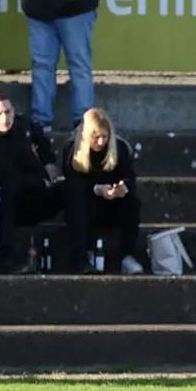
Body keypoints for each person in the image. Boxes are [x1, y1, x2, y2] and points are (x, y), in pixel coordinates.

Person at [0, 92, 65, 274]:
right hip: (13, 204)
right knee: (6, 192)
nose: (5, 119)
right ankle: (6, 258)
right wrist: (41, 182)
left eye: (8, 112)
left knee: (73, 188)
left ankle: (82, 255)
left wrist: (48, 161)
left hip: (37, 195)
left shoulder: (21, 124)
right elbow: (9, 178)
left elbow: (40, 137)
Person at [13, 0, 104, 131]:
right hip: (39, 4)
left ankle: (83, 124)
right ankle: (41, 123)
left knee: (78, 66)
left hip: (76, 8)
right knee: (42, 66)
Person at [62, 108, 143, 274]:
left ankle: (127, 255)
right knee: (78, 200)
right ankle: (82, 255)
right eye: (96, 137)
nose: (100, 142)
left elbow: (129, 176)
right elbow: (73, 182)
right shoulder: (73, 149)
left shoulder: (119, 148)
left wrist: (122, 187)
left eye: (104, 137)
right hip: (86, 204)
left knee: (132, 202)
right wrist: (97, 189)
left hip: (111, 204)